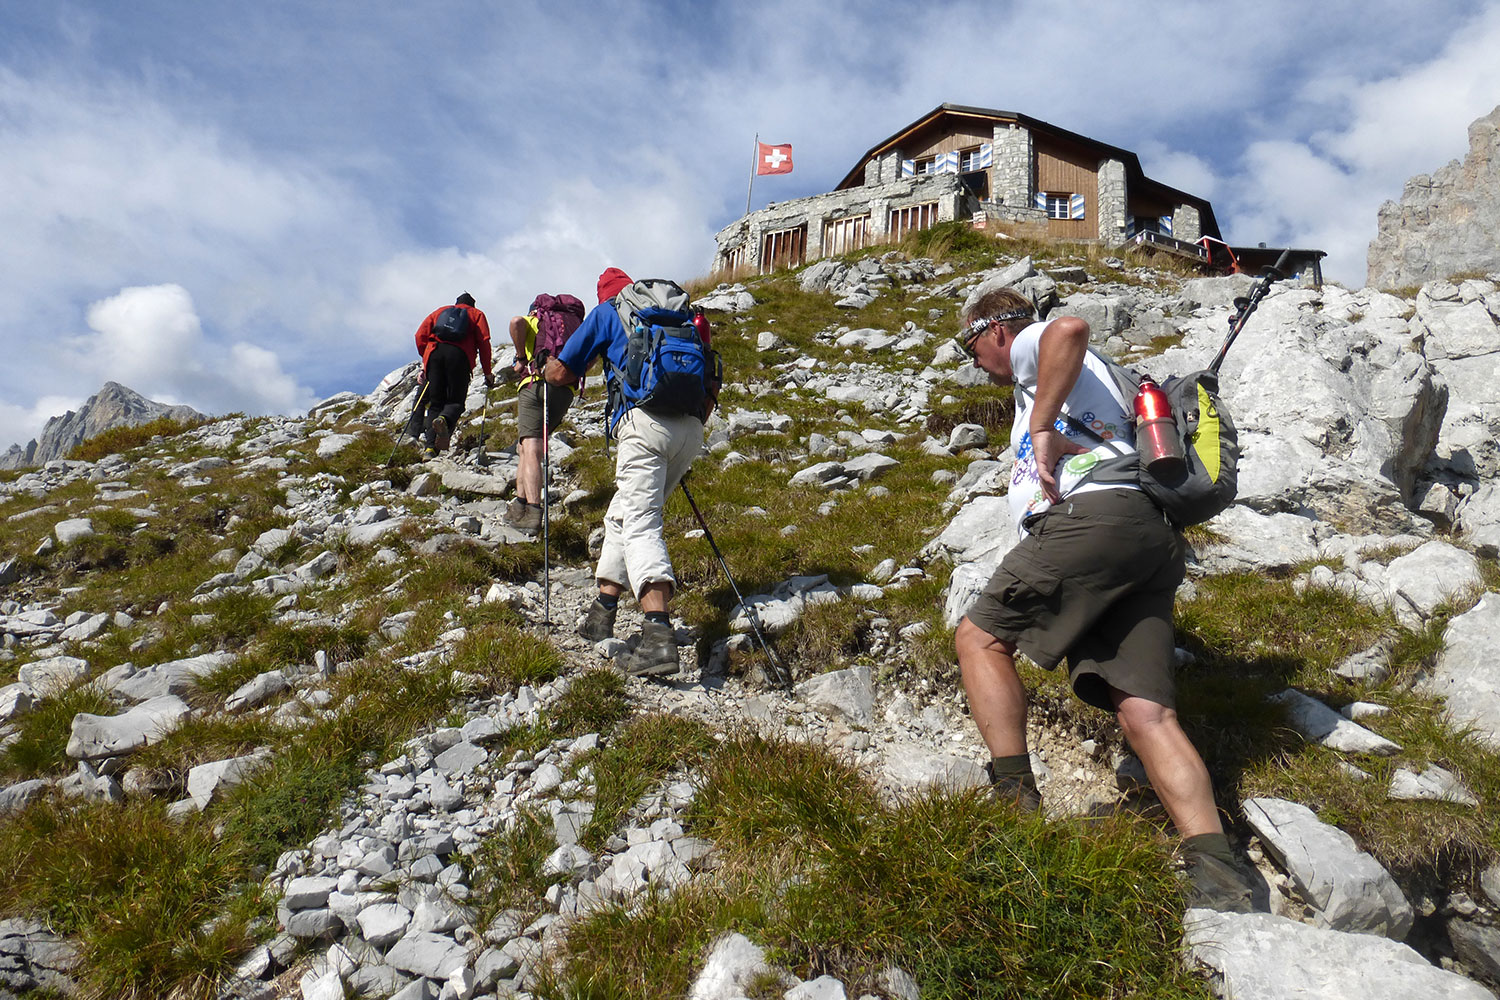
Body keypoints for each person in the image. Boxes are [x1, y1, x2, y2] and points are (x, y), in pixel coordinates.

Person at [952, 286, 1255, 913]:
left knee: (978, 638)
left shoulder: (1035, 348)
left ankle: (1014, 804)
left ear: (997, 329)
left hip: (1095, 519)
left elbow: (1068, 328)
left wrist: (1039, 427)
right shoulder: (1103, 383)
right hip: (1148, 536)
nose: (973, 359)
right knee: (1147, 715)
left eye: (970, 343)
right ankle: (1219, 874)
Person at [542, 268, 719, 678]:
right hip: (690, 429)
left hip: (642, 425)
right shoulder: (682, 314)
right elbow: (710, 378)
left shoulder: (608, 312)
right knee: (621, 513)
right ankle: (602, 612)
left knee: (641, 522)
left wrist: (546, 368)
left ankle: (658, 636)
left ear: (604, 292)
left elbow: (566, 371)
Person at [504, 293, 586, 535]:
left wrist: (521, 357)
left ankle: (533, 512)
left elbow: (515, 322)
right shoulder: (575, 326)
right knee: (526, 447)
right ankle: (519, 504)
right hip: (564, 390)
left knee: (531, 447)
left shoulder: (534, 319)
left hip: (533, 384)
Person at [411, 292, 495, 458]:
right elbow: (484, 342)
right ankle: (444, 419)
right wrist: (487, 372)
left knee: (435, 403)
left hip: (435, 354)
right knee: (456, 402)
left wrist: (426, 357)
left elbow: (419, 335)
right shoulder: (476, 314)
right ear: (473, 304)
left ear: (456, 303)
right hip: (460, 357)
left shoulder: (440, 311)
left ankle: (429, 449)